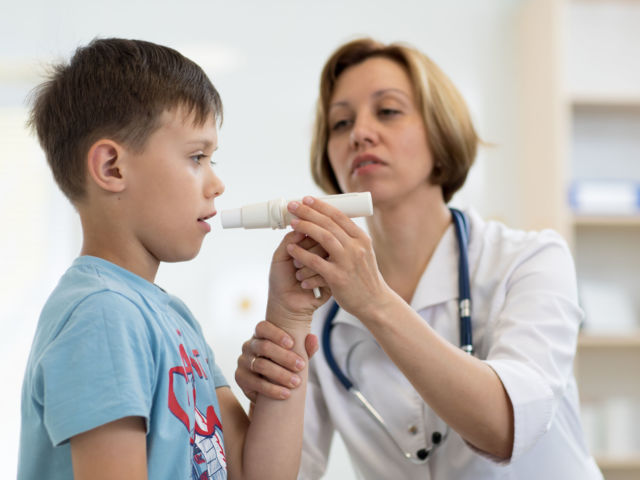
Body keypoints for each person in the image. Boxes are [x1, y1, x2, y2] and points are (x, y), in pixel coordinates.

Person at [234, 37, 603, 479]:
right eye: (340, 122)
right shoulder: (322, 314)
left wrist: (374, 303)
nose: (359, 133)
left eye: (388, 111)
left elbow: (505, 429)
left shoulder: (529, 261)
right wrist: (275, 384)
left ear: (440, 130)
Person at [18, 38, 328, 480]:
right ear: (112, 168)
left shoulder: (172, 318)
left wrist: (290, 316)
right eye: (197, 157)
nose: (217, 184)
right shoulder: (103, 316)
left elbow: (256, 474)